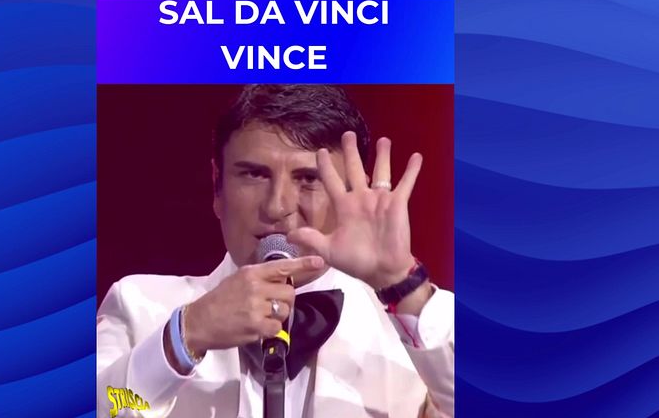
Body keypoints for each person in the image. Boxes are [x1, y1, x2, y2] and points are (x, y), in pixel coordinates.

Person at [97, 85, 454, 418]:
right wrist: (186, 336)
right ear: (217, 187)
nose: (277, 207)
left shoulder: (415, 335)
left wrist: (402, 285)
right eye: (254, 175)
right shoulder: (140, 308)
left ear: (350, 194)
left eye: (309, 178)